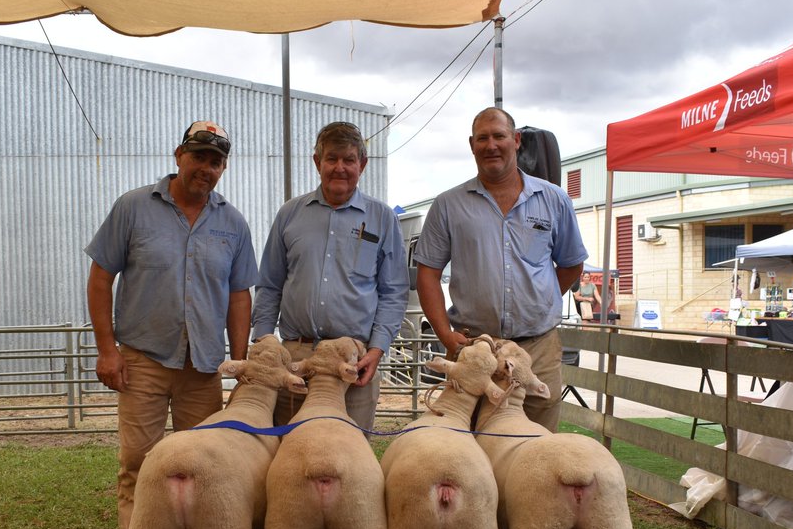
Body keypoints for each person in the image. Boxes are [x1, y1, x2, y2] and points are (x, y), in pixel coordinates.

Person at [85, 120, 258, 529]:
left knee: (202, 467)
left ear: (223, 168)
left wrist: (240, 362)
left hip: (201, 367)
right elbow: (101, 279)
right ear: (179, 154)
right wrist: (106, 349)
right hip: (142, 359)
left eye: (216, 161)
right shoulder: (134, 207)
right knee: (139, 463)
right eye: (199, 157)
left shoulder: (233, 223)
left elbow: (239, 295)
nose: (206, 168)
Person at [414, 107, 588, 433]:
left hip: (537, 348)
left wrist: (539, 300)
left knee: (537, 450)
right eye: (482, 138)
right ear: (471, 144)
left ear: (516, 140)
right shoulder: (450, 205)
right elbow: (428, 274)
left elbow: (571, 263)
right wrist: (444, 334)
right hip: (476, 350)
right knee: (471, 449)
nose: (491, 145)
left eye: (499, 136)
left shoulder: (553, 200)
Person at [251, 120, 409, 432]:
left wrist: (376, 350)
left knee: (347, 462)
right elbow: (269, 285)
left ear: (362, 164)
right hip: (295, 357)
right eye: (332, 158)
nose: (340, 167)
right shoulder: (290, 214)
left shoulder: (382, 219)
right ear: (317, 162)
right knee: (288, 455)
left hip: (353, 360)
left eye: (349, 159)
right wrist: (264, 342)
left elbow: (393, 292)